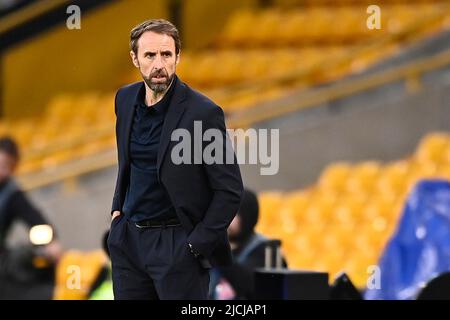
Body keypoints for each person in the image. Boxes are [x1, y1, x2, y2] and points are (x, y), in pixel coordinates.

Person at [108, 19, 243, 300]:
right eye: (150, 55)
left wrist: (194, 246)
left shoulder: (203, 113)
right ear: (135, 58)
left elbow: (229, 190)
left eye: (166, 54)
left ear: (177, 57)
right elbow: (127, 166)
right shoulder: (124, 99)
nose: (159, 64)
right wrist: (117, 214)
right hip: (129, 242)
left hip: (177, 245)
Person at [210, 188, 287, 300]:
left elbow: (249, 284)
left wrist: (219, 249)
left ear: (247, 218)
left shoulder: (268, 251)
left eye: (234, 213)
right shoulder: (211, 246)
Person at [0, 136, 61, 259]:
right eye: (3, 164)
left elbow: (35, 220)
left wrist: (51, 241)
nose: (5, 171)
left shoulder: (11, 194)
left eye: (10, 166)